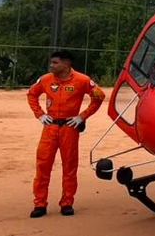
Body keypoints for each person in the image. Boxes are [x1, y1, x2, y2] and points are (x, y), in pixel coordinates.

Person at [26, 50, 106, 218]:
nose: (52, 65)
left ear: (66, 64)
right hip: (50, 127)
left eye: (55, 63)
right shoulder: (46, 79)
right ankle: (40, 203)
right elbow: (31, 94)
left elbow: (99, 96)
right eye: (52, 62)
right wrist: (40, 114)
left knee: (69, 166)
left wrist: (82, 116)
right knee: (43, 165)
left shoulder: (82, 80)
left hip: (69, 128)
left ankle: (67, 202)